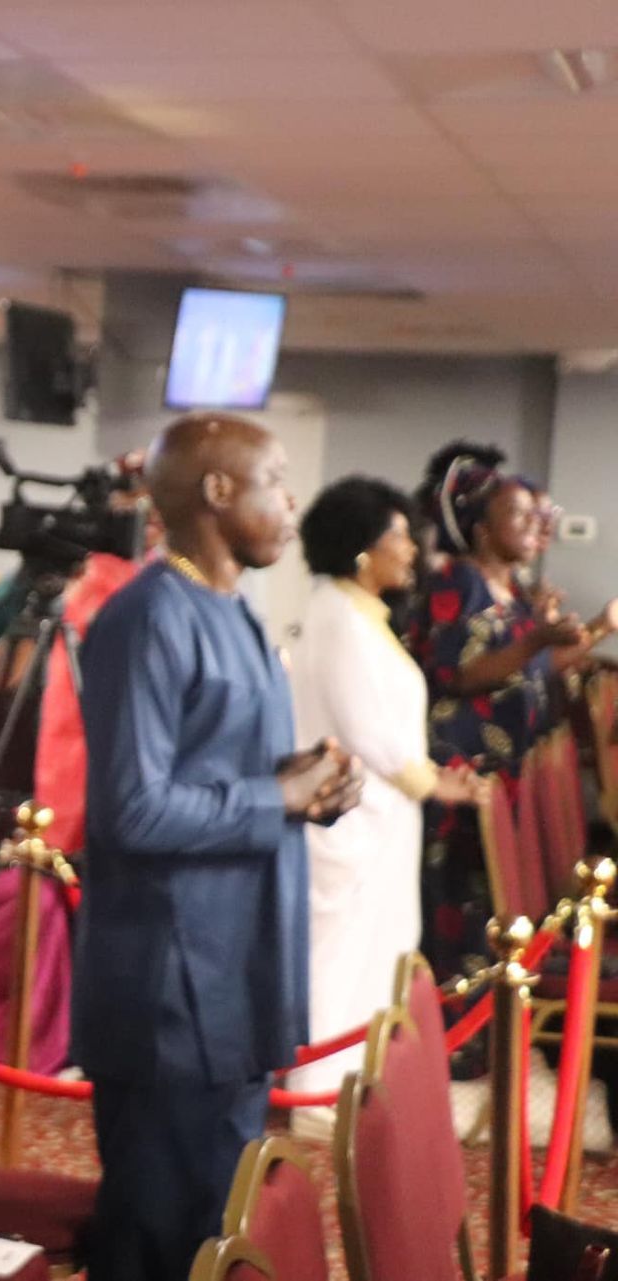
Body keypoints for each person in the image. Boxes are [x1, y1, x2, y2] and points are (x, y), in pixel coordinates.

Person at [75, 413, 363, 1281]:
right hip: (171, 990)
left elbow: (230, 774)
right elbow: (133, 808)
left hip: (236, 970)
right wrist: (275, 793)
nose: (292, 500)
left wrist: (309, 787)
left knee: (217, 1227)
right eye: (276, 480)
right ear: (217, 491)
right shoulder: (147, 616)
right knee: (160, 1234)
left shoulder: (236, 608)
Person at [285, 477, 480, 1120]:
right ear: (364, 549)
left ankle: (353, 1079)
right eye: (398, 536)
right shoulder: (339, 617)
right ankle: (320, 1091)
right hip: (353, 819)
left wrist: (429, 780)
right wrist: (433, 782)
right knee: (343, 954)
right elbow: (367, 728)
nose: (411, 551)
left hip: (377, 816)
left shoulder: (358, 612)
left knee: (375, 950)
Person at [409, 453, 616, 977]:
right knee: (462, 903)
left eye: (538, 516)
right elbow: (458, 673)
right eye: (519, 515)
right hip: (466, 764)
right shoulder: (458, 581)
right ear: (481, 529)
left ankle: (495, 1018)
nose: (534, 525)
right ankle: (464, 1033)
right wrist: (538, 640)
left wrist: (598, 628)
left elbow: (537, 667)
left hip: (508, 765)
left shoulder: (515, 592)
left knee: (494, 905)